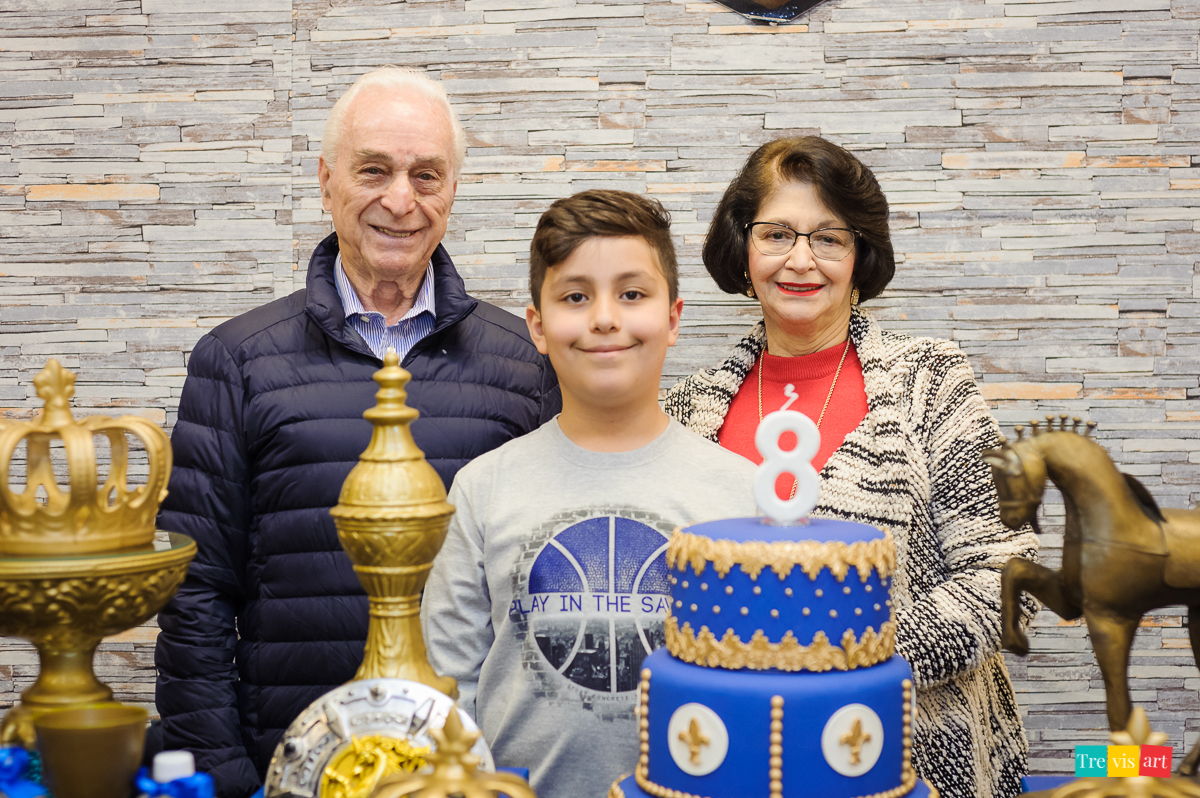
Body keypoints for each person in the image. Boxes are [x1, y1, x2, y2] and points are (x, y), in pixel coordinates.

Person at [154, 68, 560, 798]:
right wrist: (227, 778)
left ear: (453, 190)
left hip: (469, 773)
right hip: (287, 769)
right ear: (326, 180)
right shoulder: (237, 361)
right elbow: (194, 597)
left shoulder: (525, 366)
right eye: (374, 170)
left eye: (425, 175)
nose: (400, 200)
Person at [663, 137, 1038, 798]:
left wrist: (855, 665)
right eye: (777, 234)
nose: (801, 259)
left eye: (829, 238)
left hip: (922, 761)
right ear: (742, 252)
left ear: (861, 255)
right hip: (731, 762)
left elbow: (1005, 578)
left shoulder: (931, 381)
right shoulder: (684, 410)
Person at [421, 190, 758, 798]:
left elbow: (766, 689)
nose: (605, 317)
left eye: (632, 294)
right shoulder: (482, 489)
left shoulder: (740, 494)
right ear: (538, 326)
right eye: (576, 296)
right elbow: (448, 692)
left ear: (674, 318)